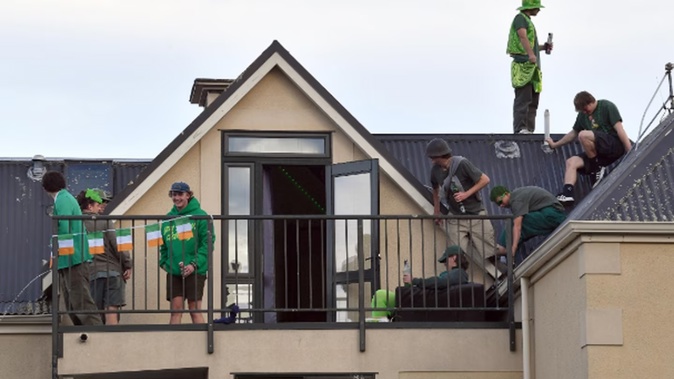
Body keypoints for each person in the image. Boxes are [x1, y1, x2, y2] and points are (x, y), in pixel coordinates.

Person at [546, 91, 632, 203]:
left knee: (583, 135)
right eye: (582, 111)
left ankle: (596, 169)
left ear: (590, 102)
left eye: (585, 109)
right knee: (571, 162)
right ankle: (567, 194)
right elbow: (573, 134)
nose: (585, 112)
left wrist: (630, 150)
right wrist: (555, 145)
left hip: (613, 145)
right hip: (600, 155)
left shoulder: (606, 106)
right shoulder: (583, 116)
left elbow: (620, 129)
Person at [41, 172, 102, 325]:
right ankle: (83, 332)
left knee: (81, 301)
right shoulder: (65, 198)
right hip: (70, 258)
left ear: (45, 188)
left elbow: (63, 227)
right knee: (72, 303)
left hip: (74, 258)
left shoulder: (63, 199)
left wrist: (55, 253)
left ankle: (98, 334)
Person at [427, 138, 497, 260]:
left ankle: (508, 257)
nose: (431, 160)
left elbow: (485, 179)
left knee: (491, 252)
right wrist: (437, 211)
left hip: (475, 214)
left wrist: (466, 194)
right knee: (455, 254)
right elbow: (435, 189)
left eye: (433, 157)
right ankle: (457, 277)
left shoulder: (462, 163)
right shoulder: (435, 171)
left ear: (439, 155)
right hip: (456, 216)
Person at [159, 181, 215, 324]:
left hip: (195, 270)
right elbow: (163, 245)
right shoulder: (168, 219)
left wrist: (193, 264)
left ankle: (203, 345)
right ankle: (174, 345)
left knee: (194, 310)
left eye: (180, 194)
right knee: (175, 311)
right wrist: (164, 263)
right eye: (173, 194)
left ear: (188, 195)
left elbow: (207, 244)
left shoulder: (201, 216)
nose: (176, 198)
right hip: (174, 271)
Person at [77, 189, 132, 325]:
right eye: (99, 204)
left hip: (91, 273)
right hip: (112, 271)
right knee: (111, 309)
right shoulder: (105, 222)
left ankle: (98, 342)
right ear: (90, 206)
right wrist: (128, 264)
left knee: (95, 311)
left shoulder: (77, 224)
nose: (102, 207)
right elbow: (118, 245)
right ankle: (113, 342)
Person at [370, 245, 470, 320]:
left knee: (380, 295)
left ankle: (379, 326)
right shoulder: (457, 275)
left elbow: (439, 282)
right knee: (381, 297)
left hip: (418, 304)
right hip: (419, 301)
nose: (444, 264)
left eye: (445, 260)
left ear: (454, 258)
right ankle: (383, 322)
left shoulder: (459, 273)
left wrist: (414, 280)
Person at [489, 185, 566, 265]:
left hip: (553, 215)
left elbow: (517, 227)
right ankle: (506, 249)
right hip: (551, 214)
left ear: (506, 194)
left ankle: (506, 251)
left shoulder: (516, 200)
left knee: (515, 223)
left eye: (500, 201)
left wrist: (513, 249)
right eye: (498, 204)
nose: (501, 205)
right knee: (514, 223)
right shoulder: (518, 195)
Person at [507, 0, 552, 134]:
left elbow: (529, 43)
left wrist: (543, 47)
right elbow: (522, 36)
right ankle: (520, 128)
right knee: (523, 99)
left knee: (532, 100)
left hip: (532, 68)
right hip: (523, 66)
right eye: (537, 7)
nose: (538, 10)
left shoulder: (527, 20)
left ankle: (529, 130)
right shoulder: (520, 18)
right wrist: (531, 55)